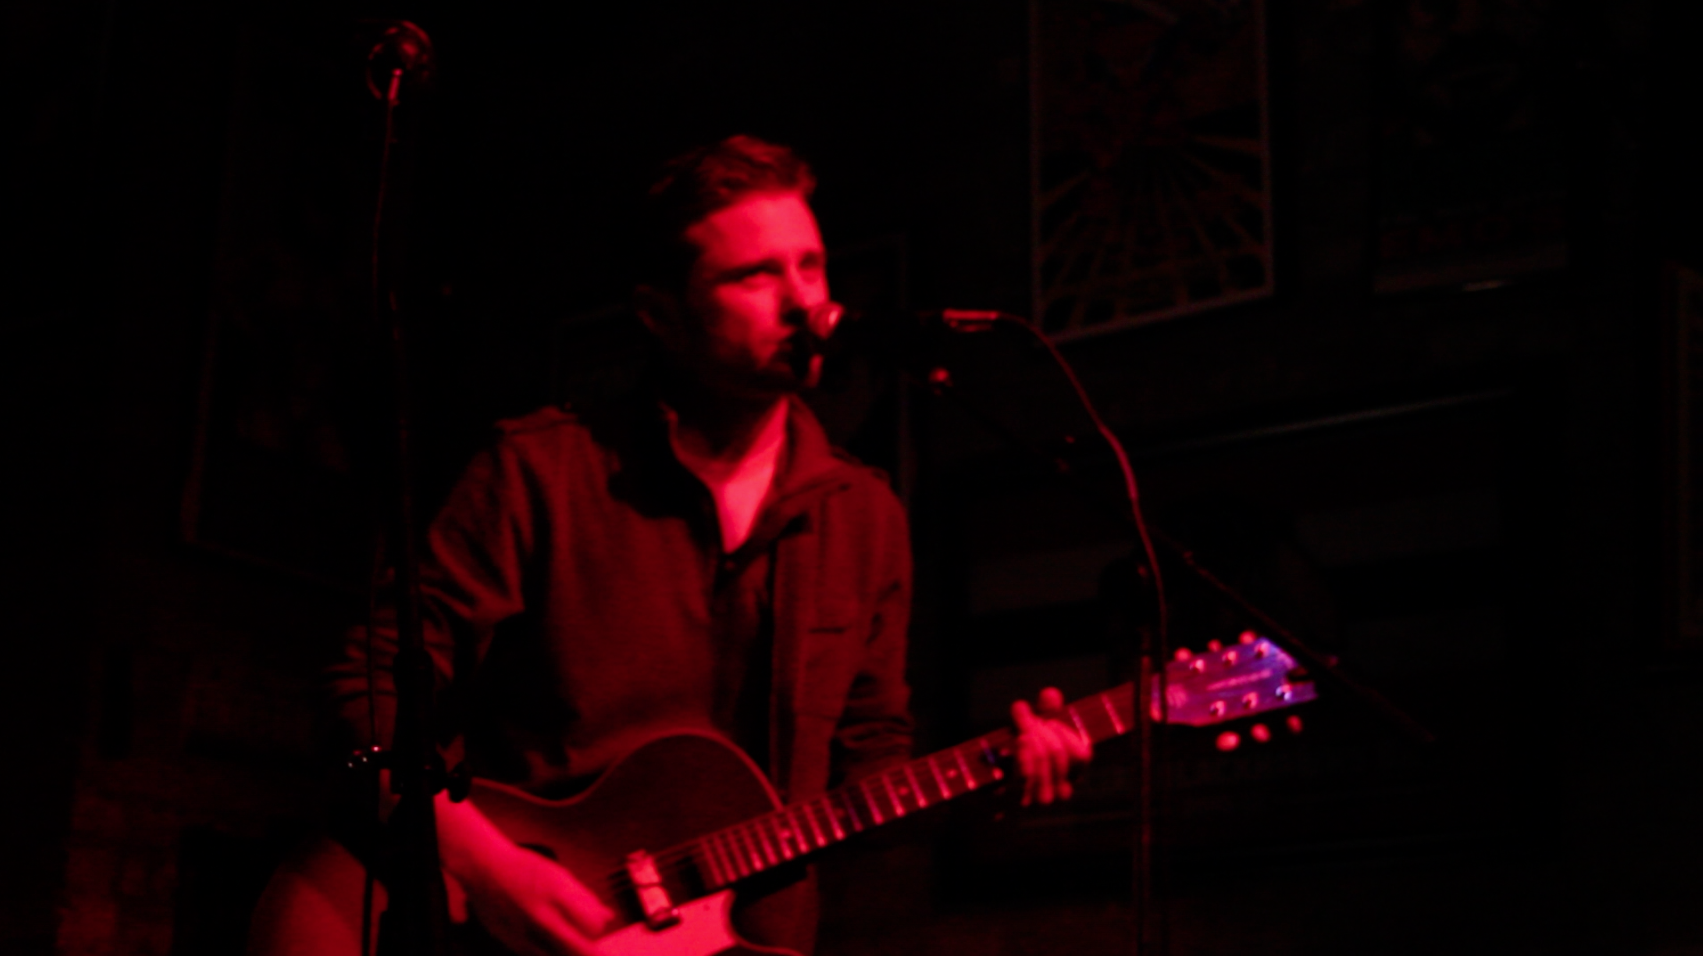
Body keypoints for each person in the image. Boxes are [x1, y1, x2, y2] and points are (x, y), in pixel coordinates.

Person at [249, 134, 1090, 956]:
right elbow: (366, 691)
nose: (804, 302)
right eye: (755, 274)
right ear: (662, 316)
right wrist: (488, 867)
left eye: (810, 264)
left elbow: (869, 773)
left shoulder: (860, 516)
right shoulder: (539, 474)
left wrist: (996, 776)